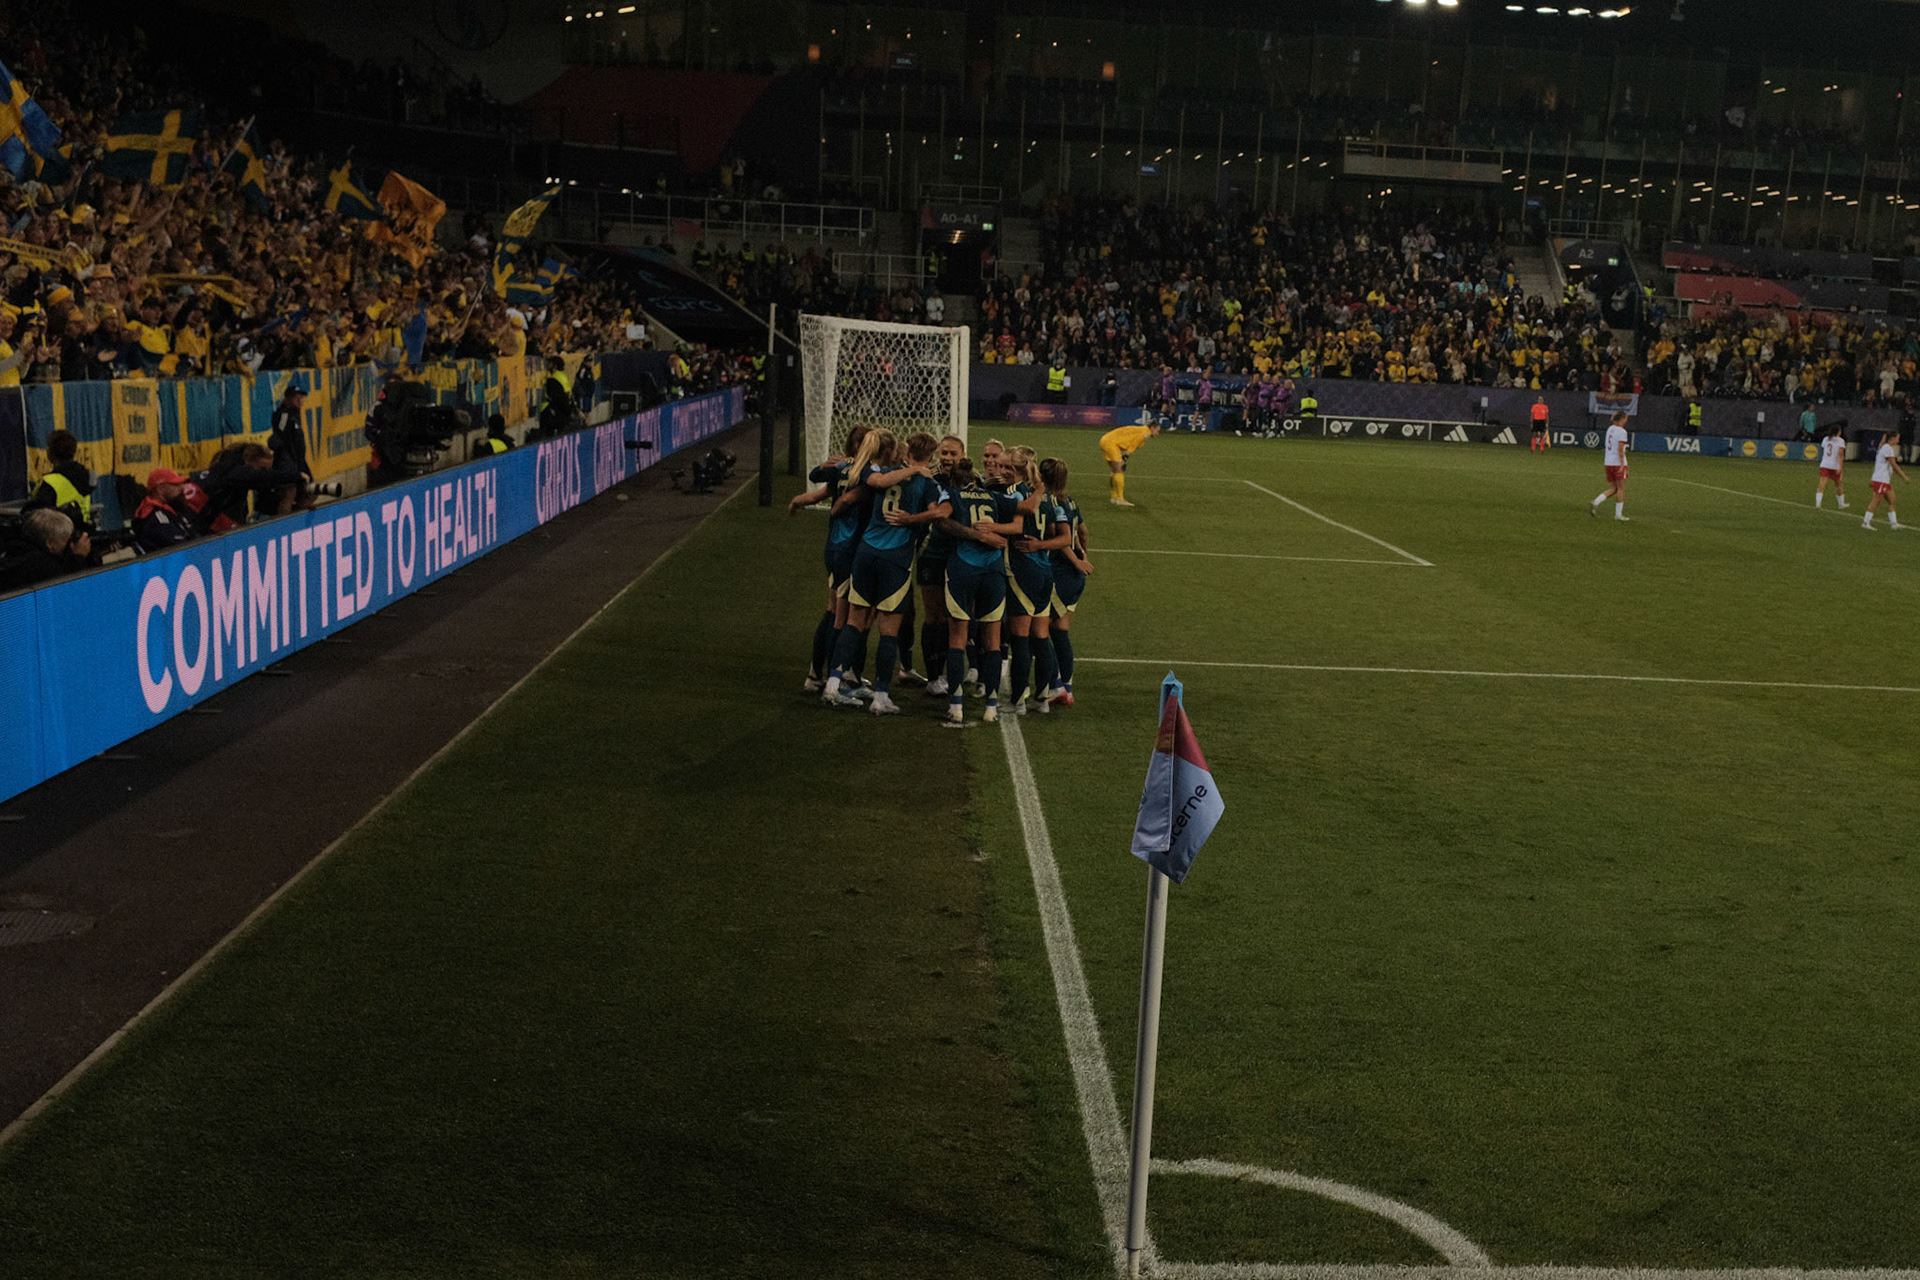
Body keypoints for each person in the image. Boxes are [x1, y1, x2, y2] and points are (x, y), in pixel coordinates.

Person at [821, 431, 948, 714]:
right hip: (896, 559)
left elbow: (861, 490)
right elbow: (939, 513)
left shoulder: (885, 473)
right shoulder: (928, 483)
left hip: (865, 553)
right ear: (931, 456)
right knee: (889, 629)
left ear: (907, 451)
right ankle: (881, 697)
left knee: (854, 621)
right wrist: (912, 519)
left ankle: (832, 684)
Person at [935, 457, 1013, 727]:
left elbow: (941, 519)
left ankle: (956, 707)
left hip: (963, 568)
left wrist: (974, 534)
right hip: (993, 569)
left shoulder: (952, 495)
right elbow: (1025, 510)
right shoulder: (993, 496)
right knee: (992, 640)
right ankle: (991, 707)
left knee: (957, 638)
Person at [792, 425, 871, 692]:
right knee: (843, 616)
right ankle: (835, 679)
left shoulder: (842, 468)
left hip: (835, 547)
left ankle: (819, 675)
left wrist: (799, 499)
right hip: (848, 549)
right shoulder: (866, 473)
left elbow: (818, 482)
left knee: (835, 610)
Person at [1040, 457, 1092, 708]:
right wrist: (1084, 556)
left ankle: (1055, 685)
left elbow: (1061, 539)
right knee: (1060, 630)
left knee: (1038, 631)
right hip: (1075, 578)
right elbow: (1083, 532)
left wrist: (1076, 561)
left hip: (1059, 574)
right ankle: (1067, 689)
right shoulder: (1070, 501)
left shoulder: (1050, 504)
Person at [0, 508, 89, 591]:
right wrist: (79, 557)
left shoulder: (17, 548)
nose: (70, 544)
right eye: (65, 539)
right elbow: (69, 590)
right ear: (50, 543)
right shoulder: (40, 565)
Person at [24, 429, 92, 530]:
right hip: (81, 531)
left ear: (49, 452)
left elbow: (33, 513)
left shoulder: (51, 482)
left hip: (58, 534)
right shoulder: (84, 476)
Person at [131, 469, 203, 551]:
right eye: (176, 485)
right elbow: (181, 549)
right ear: (160, 489)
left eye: (182, 484)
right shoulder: (154, 519)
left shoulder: (175, 509)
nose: (182, 488)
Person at [1099, 420, 1160, 508]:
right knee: (1119, 471)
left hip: (1106, 440)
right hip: (1112, 444)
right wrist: (1125, 457)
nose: (1158, 433)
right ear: (1152, 428)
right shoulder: (1146, 433)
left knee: (1115, 470)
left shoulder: (1141, 429)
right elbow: (1134, 444)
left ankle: (1114, 497)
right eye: (1157, 430)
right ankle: (1120, 499)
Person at [1590, 410, 1631, 521]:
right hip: (1617, 463)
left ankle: (1596, 501)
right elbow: (1620, 450)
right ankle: (1618, 515)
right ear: (1622, 419)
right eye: (1626, 419)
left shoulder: (1610, 429)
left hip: (1608, 462)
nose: (1626, 421)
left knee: (1614, 488)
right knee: (1621, 489)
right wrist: (1622, 464)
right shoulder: (1622, 432)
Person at [1862, 432, 1908, 530]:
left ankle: (1894, 524)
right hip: (1881, 480)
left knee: (1892, 500)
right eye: (1897, 438)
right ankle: (1865, 522)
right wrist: (1904, 476)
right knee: (1876, 500)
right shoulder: (1887, 448)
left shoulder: (1883, 447)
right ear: (1892, 438)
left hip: (1884, 480)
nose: (1898, 440)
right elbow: (1893, 464)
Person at [1815, 426, 1849, 510]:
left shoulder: (1826, 439)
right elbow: (1840, 455)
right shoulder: (1840, 441)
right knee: (1839, 485)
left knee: (1822, 484)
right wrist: (1840, 468)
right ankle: (1841, 504)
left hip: (1825, 464)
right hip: (1834, 465)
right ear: (1838, 432)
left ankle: (1818, 503)